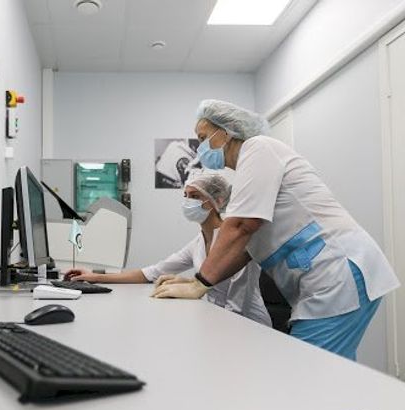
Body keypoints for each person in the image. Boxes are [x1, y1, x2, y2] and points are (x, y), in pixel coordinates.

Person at [153, 99, 400, 360]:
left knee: (308, 370)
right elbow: (244, 250)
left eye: (203, 138)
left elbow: (241, 226)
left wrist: (200, 283)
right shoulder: (249, 171)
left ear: (225, 132)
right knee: (329, 371)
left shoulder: (258, 147)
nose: (200, 148)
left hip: (339, 272)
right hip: (327, 278)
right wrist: (199, 281)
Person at [65, 170, 271, 326]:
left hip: (250, 325)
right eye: (185, 195)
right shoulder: (199, 242)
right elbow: (152, 272)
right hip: (218, 320)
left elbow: (237, 304)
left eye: (195, 196)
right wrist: (94, 277)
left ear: (216, 201)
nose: (187, 201)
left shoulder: (236, 240)